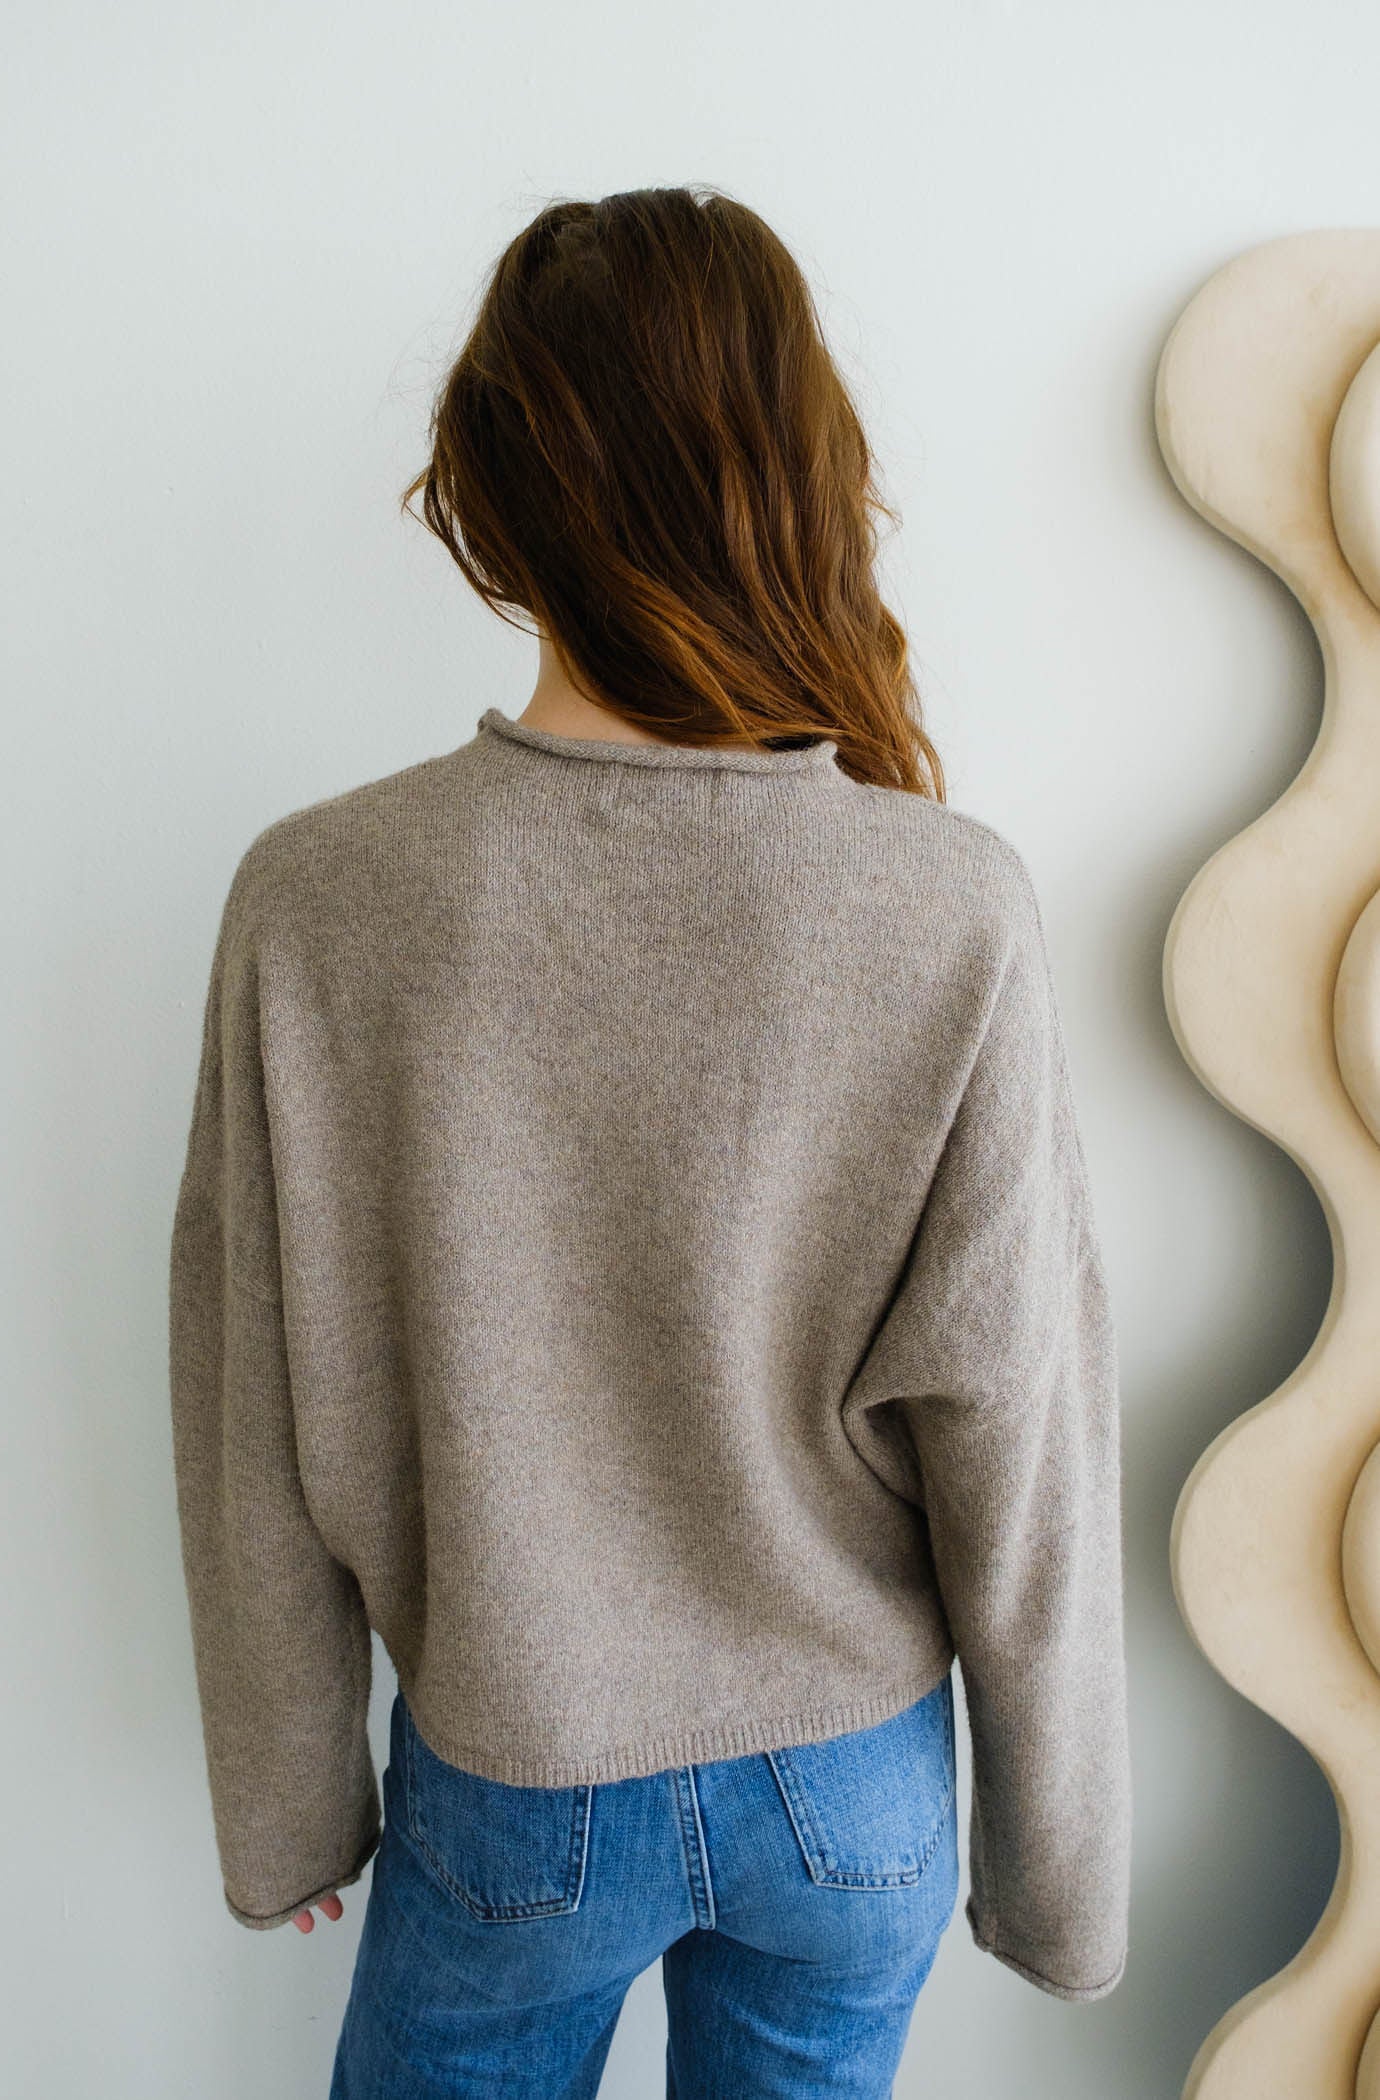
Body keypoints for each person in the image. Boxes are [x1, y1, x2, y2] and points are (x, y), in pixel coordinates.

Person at [167, 184, 1131, 2099]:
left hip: (519, 1774)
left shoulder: (322, 898)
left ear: (492, 500)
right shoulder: (950, 905)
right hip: (854, 1787)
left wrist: (289, 1800)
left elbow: (254, 1403)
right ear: (803, 479)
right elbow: (1021, 1429)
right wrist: (1064, 1871)